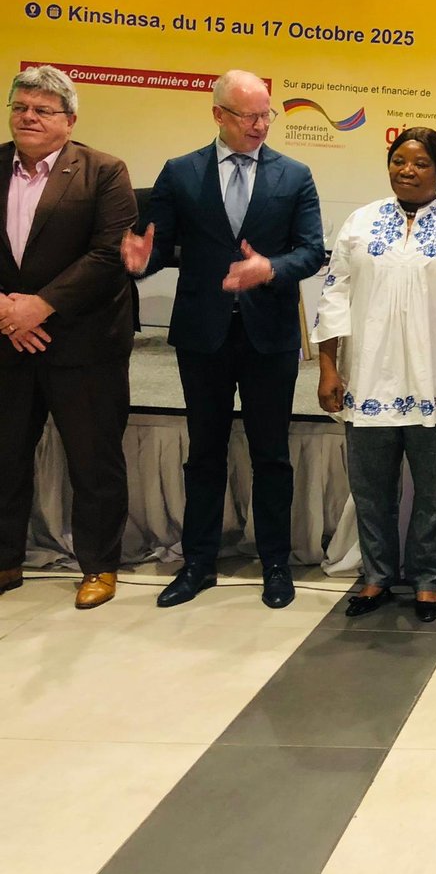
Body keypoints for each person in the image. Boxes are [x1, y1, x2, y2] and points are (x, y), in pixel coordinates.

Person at [122, 70, 324, 609]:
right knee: (205, 452)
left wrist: (270, 268)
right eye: (248, 115)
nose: (260, 125)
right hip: (203, 333)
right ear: (218, 114)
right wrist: (141, 263)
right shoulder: (180, 172)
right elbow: (158, 247)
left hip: (269, 335)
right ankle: (198, 563)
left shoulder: (295, 175)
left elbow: (311, 251)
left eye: (266, 114)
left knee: (271, 454)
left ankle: (276, 563)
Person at [313, 128, 436, 622]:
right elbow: (333, 297)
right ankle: (377, 575)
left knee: (434, 495)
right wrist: (328, 367)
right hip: (368, 381)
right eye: (399, 161)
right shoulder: (359, 223)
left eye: (420, 163)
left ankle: (427, 579)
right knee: (371, 491)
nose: (407, 171)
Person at [0, 66, 136, 609]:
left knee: (93, 461)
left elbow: (109, 254)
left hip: (85, 344)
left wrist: (40, 306)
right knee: (5, 456)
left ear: (70, 120)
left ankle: (99, 566)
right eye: (20, 107)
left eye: (43, 110)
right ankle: (6, 559)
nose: (28, 117)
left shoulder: (103, 171)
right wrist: (6, 311)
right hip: (7, 340)